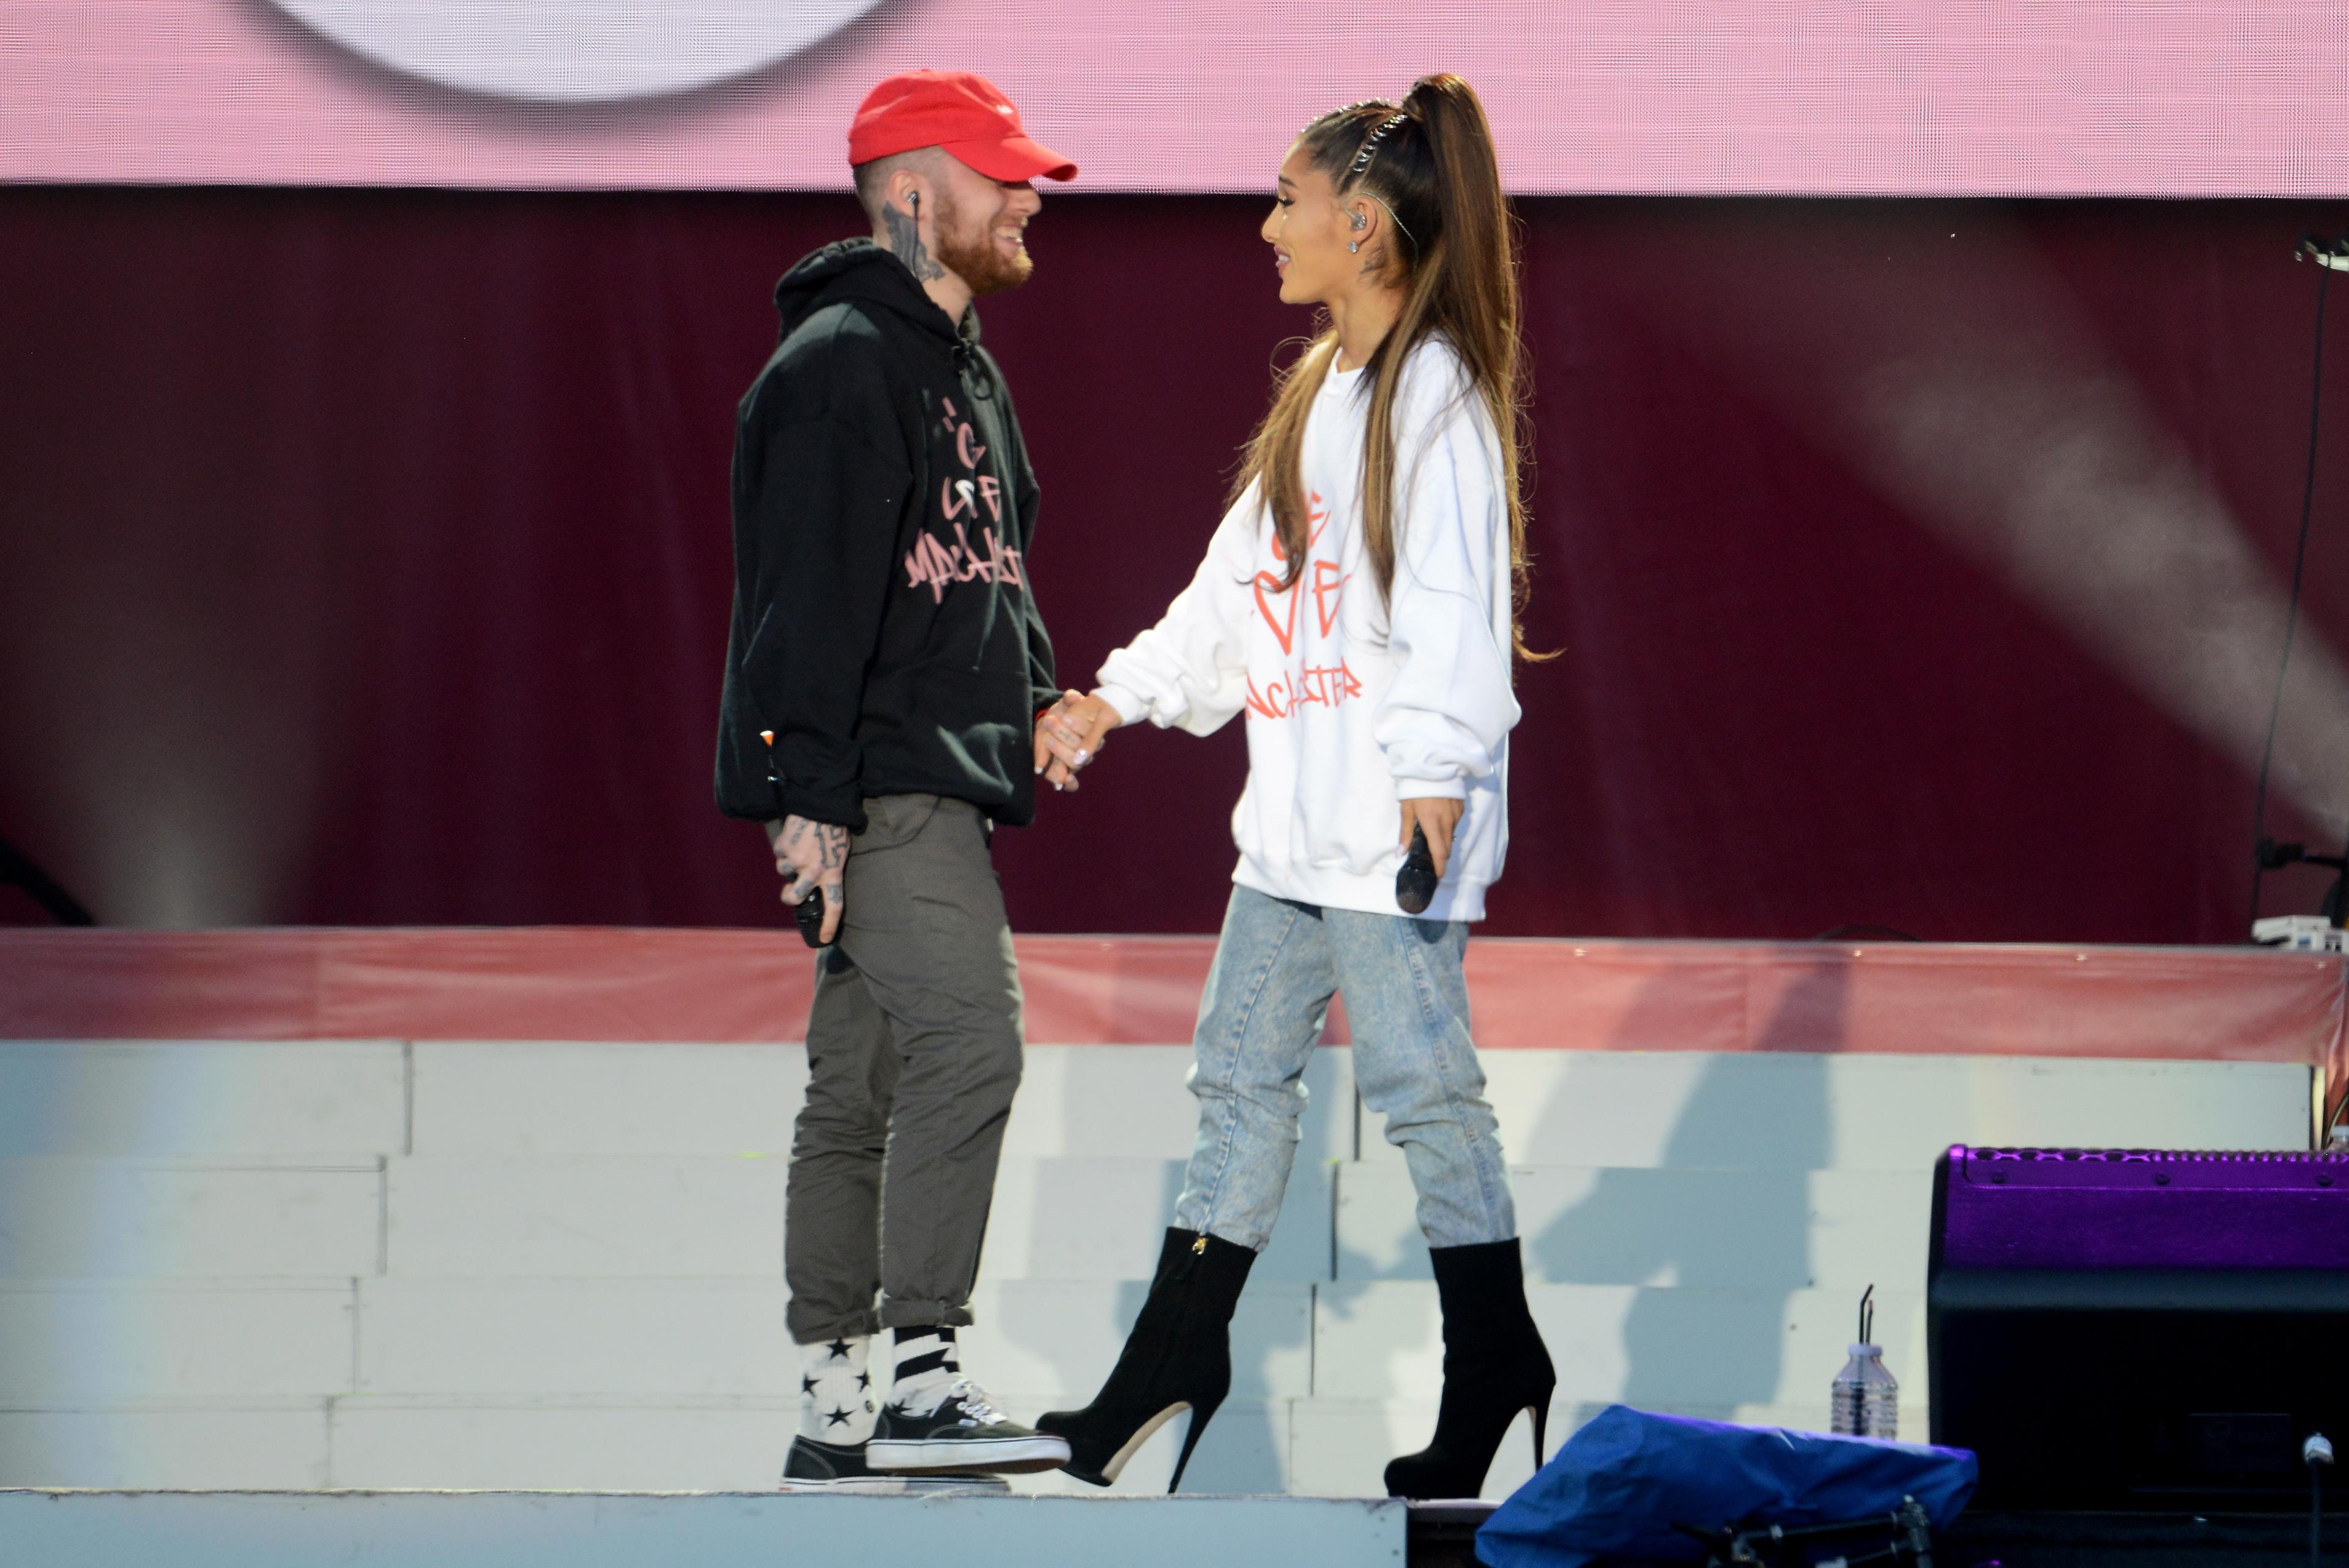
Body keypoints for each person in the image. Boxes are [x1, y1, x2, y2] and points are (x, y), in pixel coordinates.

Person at [1030, 74, 1555, 1499]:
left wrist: (1439, 772)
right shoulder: (1320, 389)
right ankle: (1169, 1363)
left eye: (1289, 202)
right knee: (1236, 1084)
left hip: (1385, 825)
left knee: (1424, 1091)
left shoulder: (1438, 392)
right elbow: (1235, 596)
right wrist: (1118, 694)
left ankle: (1496, 1361)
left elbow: (1457, 595)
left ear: (1368, 229)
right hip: (1289, 837)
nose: (1268, 226)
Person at [713, 69, 1083, 1492]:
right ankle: (921, 1378)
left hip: (933, 773)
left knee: (858, 1084)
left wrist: (1040, 695)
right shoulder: (837, 368)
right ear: (918, 196)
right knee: (972, 1042)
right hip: (878, 785)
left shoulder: (961, 367)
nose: (1028, 199)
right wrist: (804, 797)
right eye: (1004, 177)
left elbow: (999, 558)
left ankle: (839, 1405)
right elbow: (800, 598)